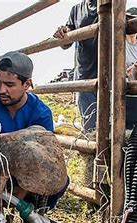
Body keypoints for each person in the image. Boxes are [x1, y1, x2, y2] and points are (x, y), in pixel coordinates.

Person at [0, 52, 65, 210]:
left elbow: (42, 159)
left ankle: (35, 220)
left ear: (27, 85)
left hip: (26, 175)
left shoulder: (41, 113)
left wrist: (20, 194)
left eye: (9, 85)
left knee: (59, 180)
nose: (1, 90)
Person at [53, 0, 98, 132]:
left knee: (113, 122)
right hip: (85, 72)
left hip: (111, 71)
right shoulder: (76, 10)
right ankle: (94, 151)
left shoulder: (113, 3)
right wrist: (63, 32)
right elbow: (65, 43)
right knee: (90, 126)